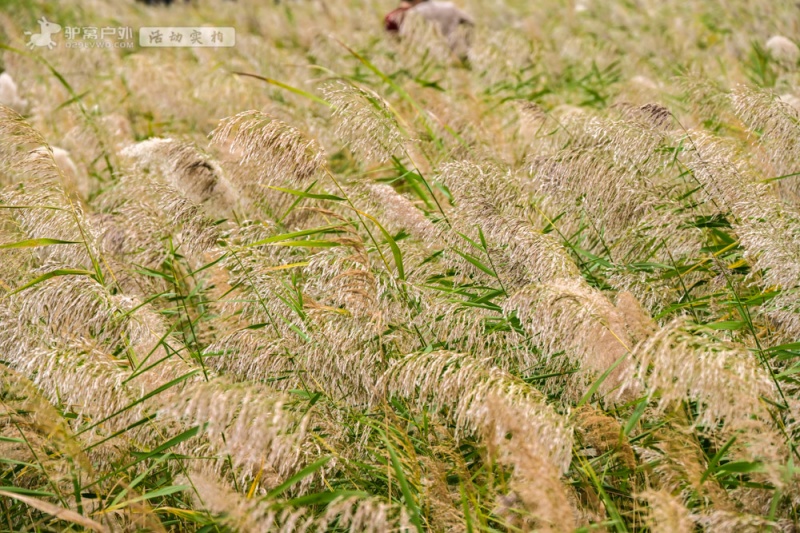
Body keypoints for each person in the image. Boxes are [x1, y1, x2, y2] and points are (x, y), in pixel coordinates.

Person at [385, 0, 474, 43]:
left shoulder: (394, 17)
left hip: (421, 63)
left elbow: (394, 42)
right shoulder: (449, 7)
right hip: (453, 55)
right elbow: (471, 23)